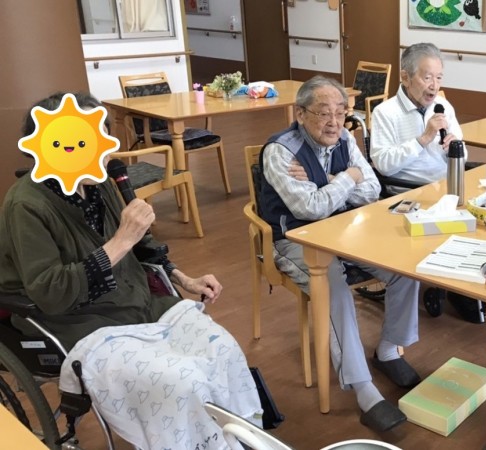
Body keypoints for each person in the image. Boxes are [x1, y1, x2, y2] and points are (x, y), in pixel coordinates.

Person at [0, 92, 262, 450]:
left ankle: (237, 442)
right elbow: (52, 293)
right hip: (79, 322)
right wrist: (120, 240)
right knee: (183, 382)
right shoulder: (26, 204)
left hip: (136, 303)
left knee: (225, 353)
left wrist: (182, 277)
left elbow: (142, 246)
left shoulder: (101, 183)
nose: (105, 148)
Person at [259, 76, 421, 432]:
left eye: (340, 112)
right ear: (300, 114)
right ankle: (363, 389)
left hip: (343, 230)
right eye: (323, 113)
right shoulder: (281, 151)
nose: (334, 122)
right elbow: (310, 209)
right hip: (295, 239)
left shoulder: (345, 138)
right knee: (332, 286)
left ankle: (388, 350)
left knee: (403, 269)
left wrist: (329, 180)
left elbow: (373, 189)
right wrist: (348, 176)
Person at [370, 42, 467, 186]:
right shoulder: (384, 112)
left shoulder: (443, 106)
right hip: (410, 190)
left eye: (439, 78)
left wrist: (454, 148)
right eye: (427, 78)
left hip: (447, 185)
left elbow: (463, 157)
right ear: (405, 77)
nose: (434, 86)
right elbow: (383, 165)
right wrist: (423, 140)